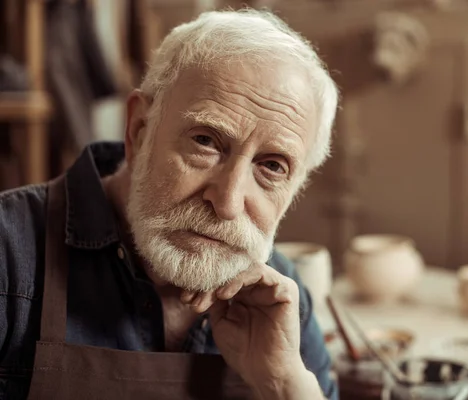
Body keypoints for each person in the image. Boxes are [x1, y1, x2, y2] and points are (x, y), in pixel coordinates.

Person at [0, 9, 339, 400]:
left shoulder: (280, 298)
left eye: (272, 167)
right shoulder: (10, 255)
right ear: (139, 130)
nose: (227, 203)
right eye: (206, 142)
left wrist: (283, 384)